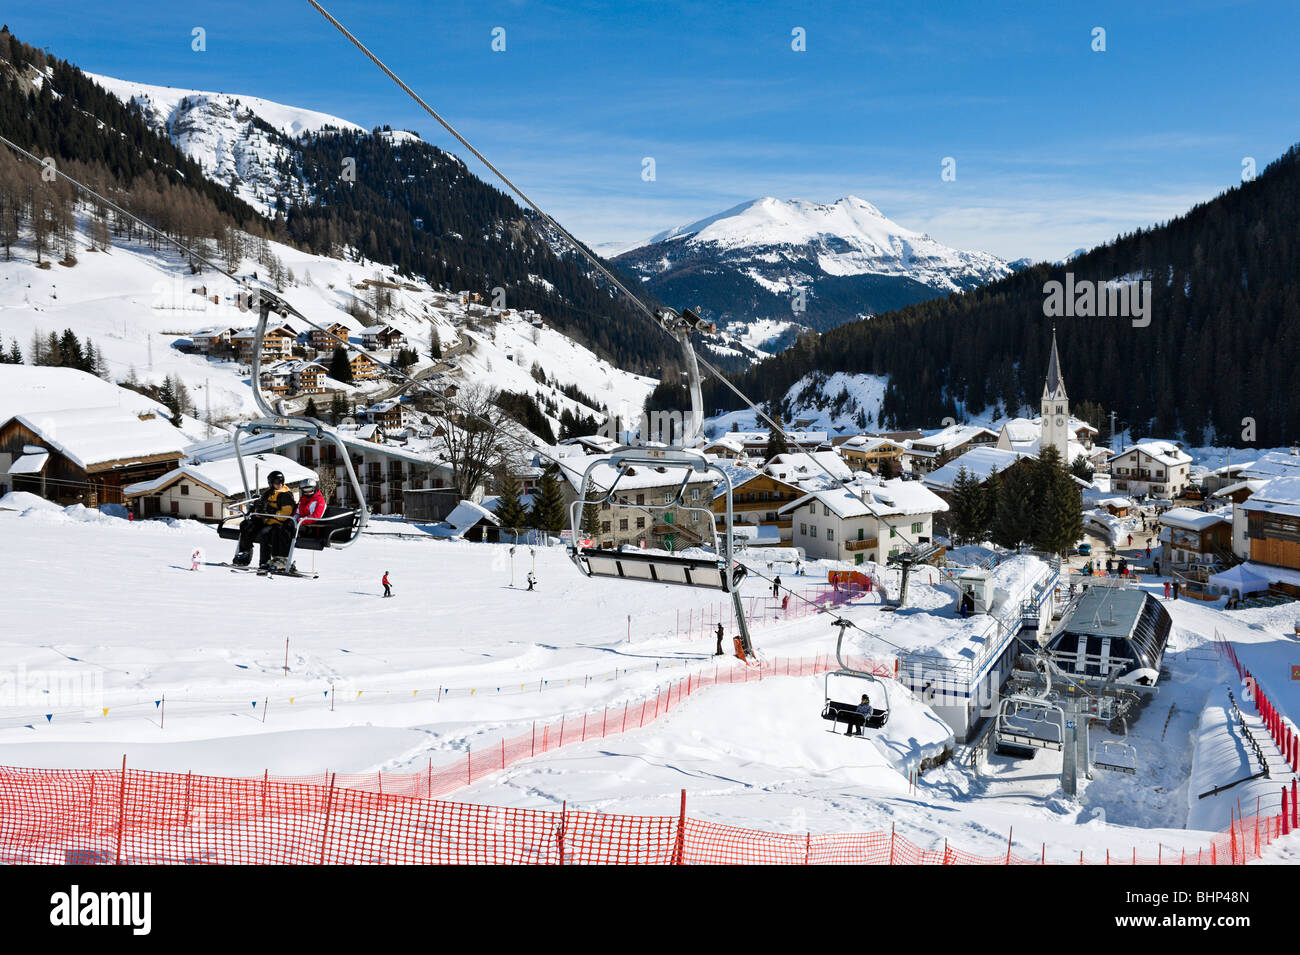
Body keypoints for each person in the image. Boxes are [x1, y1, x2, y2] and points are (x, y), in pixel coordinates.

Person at [233, 471, 296, 569]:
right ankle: (245, 553)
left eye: (281, 482)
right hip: (265, 520)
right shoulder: (268, 493)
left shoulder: (285, 495)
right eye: (276, 482)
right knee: (246, 525)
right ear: (271, 483)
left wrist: (271, 512)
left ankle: (265, 561)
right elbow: (260, 509)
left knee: (264, 533)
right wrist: (258, 509)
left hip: (278, 523)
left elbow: (285, 514)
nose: (279, 484)